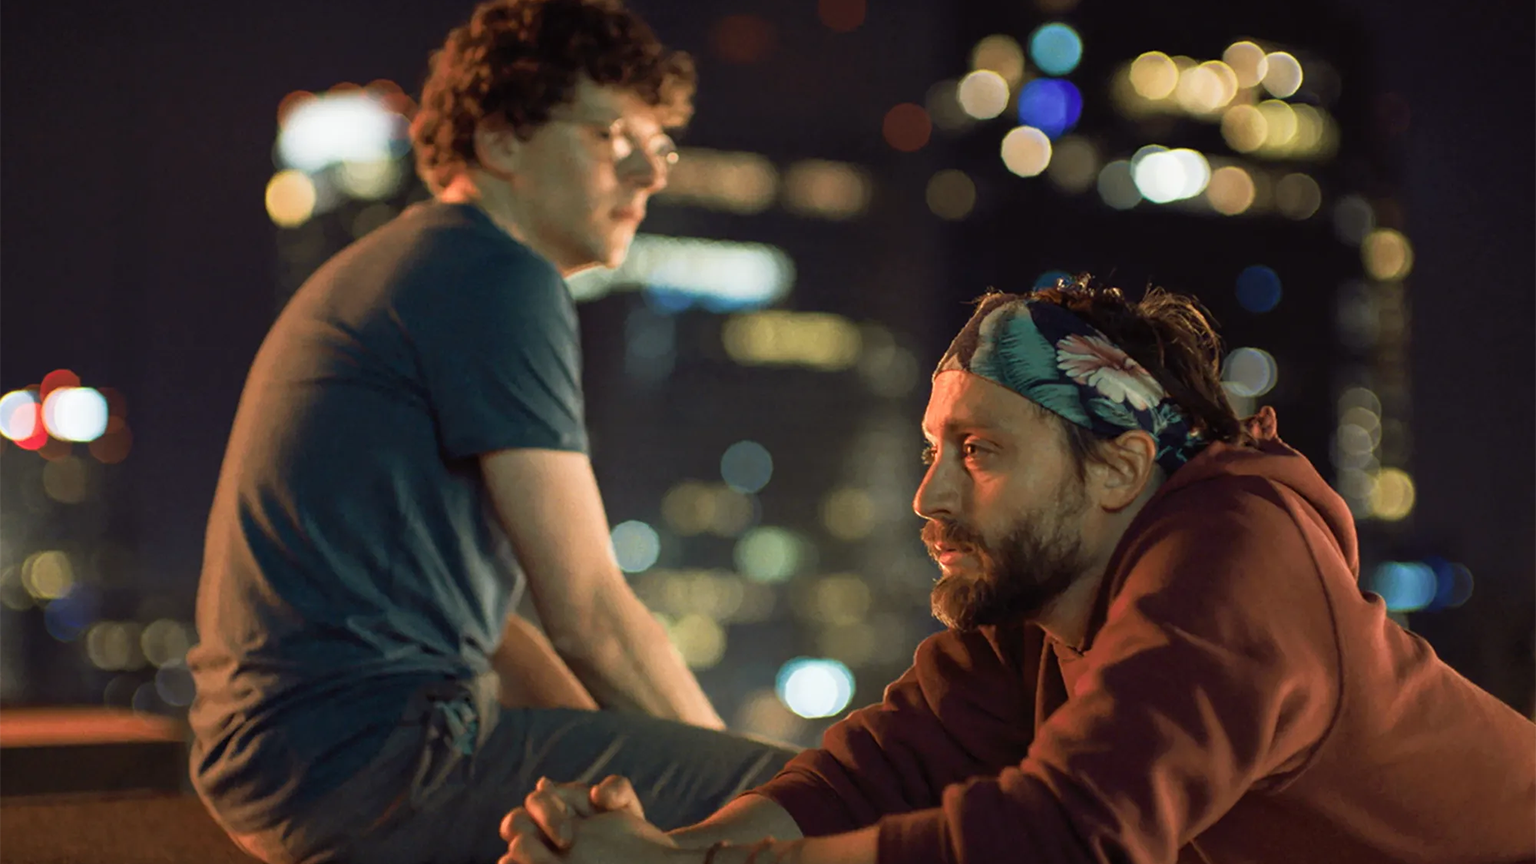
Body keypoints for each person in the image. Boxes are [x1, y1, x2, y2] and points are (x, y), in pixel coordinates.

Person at [500, 279, 1536, 864]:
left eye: (981, 453)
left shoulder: (1236, 560)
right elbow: (883, 767)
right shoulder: (1037, 606)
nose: (930, 498)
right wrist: (682, 853)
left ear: (1120, 468)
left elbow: (1064, 836)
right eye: (931, 452)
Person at [186, 2, 794, 862]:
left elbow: (502, 632)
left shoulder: (410, 264)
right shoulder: (493, 272)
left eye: (658, 150)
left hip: (282, 758)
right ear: (501, 140)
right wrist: (770, 788)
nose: (647, 176)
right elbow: (590, 613)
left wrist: (627, 768)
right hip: (379, 755)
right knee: (820, 810)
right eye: (611, 137)